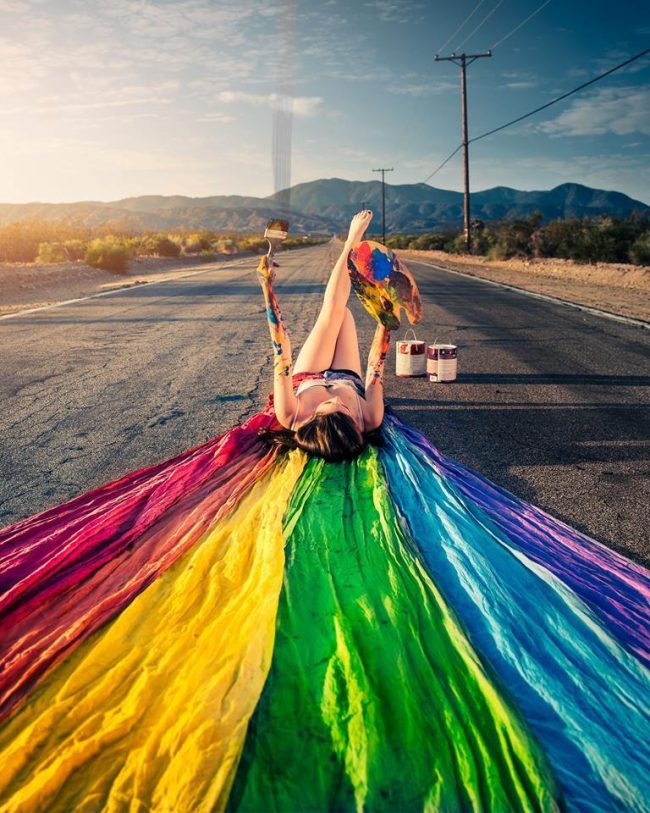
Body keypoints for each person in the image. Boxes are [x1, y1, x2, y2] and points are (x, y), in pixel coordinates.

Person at [0, 212, 648, 811]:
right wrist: (386, 327)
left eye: (335, 412)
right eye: (344, 413)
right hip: (343, 366)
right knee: (346, 314)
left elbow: (280, 359)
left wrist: (274, 311)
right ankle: (351, 251)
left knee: (333, 308)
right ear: (350, 429)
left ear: (318, 425)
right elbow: (373, 373)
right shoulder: (365, 419)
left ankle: (348, 241)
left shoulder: (296, 412)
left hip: (308, 369)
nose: (342, 409)